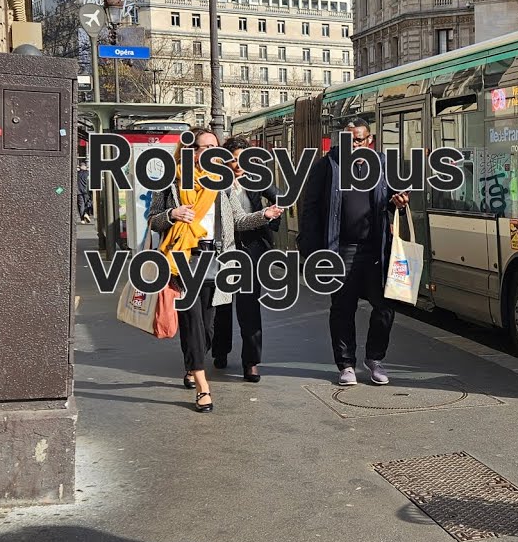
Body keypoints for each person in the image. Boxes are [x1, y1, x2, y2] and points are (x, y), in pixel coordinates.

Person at [148, 127, 283, 412]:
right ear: (191, 151)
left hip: (217, 260)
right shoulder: (172, 181)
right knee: (192, 322)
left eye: (214, 148)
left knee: (208, 328)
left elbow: (239, 220)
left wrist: (265, 214)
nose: (211, 153)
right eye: (205, 148)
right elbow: (153, 220)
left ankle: (192, 362)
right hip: (184, 260)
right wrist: (172, 214)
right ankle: (202, 386)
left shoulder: (222, 183)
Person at [298, 120, 410, 387]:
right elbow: (310, 209)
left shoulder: (383, 165)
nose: (355, 145)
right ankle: (346, 364)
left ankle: (375, 359)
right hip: (341, 250)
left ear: (369, 140)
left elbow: (397, 198)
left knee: (385, 307)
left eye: (359, 140)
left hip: (377, 249)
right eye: (350, 140)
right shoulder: (327, 166)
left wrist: (400, 202)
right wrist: (312, 252)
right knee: (342, 309)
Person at [211, 135, 281, 382]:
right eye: (234, 160)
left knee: (249, 307)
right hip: (223, 250)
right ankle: (220, 351)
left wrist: (270, 218)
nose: (239, 165)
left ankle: (251, 362)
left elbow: (280, 197)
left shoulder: (257, 179)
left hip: (252, 250)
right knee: (222, 306)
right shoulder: (215, 182)